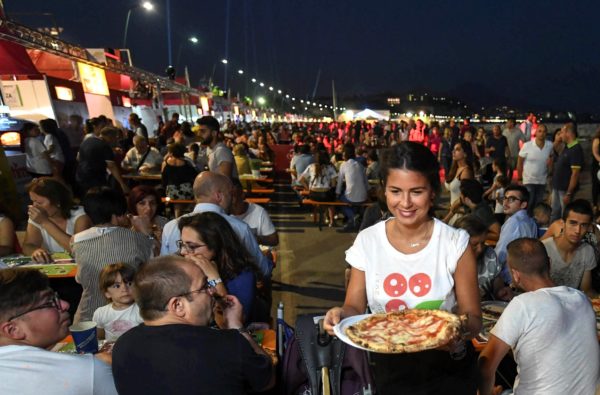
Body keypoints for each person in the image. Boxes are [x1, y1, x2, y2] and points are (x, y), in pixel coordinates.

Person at [323, 142, 481, 394]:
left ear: (432, 192)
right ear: (384, 191)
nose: (405, 202)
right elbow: (354, 306)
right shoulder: (368, 240)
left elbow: (473, 318)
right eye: (396, 191)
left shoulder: (455, 242)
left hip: (447, 371)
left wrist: (452, 335)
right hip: (388, 367)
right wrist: (340, 315)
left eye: (416, 191)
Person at [112, 255, 274, 395]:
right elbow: (268, 380)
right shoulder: (228, 345)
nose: (212, 292)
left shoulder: (122, 346)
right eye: (204, 287)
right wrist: (237, 326)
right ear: (178, 306)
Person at [478, 238, 599, 395]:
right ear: (549, 262)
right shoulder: (581, 299)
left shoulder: (522, 305)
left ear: (515, 274)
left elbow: (486, 365)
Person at [0, 268, 117, 395]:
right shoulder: (85, 371)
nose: (65, 304)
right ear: (13, 330)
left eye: (56, 297)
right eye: (49, 302)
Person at [160, 171, 273, 278]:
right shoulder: (239, 227)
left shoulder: (170, 227)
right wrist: (268, 259)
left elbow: (164, 270)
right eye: (230, 194)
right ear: (219, 196)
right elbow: (263, 270)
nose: (232, 200)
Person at [72, 187, 154, 322]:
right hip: (129, 317)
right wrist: (147, 234)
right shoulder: (136, 239)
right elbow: (154, 270)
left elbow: (81, 278)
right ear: (117, 215)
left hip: (87, 316)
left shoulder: (76, 240)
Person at [178, 212, 265, 321]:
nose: (182, 251)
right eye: (182, 244)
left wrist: (215, 279)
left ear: (216, 246)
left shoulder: (242, 276)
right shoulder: (182, 269)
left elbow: (234, 323)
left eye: (191, 246)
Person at [23, 177, 91, 262]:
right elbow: (28, 245)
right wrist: (35, 251)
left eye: (39, 203)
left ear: (57, 202)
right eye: (33, 201)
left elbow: (78, 249)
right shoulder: (37, 216)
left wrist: (45, 222)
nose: (34, 206)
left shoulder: (80, 216)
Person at [542, 199, 596, 296]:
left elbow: (586, 290)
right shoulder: (544, 249)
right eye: (573, 223)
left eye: (583, 225)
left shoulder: (587, 251)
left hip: (574, 305)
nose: (578, 230)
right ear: (563, 223)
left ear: (588, 227)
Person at [455, 216, 510, 301]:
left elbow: (496, 278)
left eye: (483, 243)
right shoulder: (447, 260)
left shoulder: (489, 254)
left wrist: (499, 291)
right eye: (474, 244)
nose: (480, 249)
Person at [494, 184, 538, 283]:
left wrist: (491, 273)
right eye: (505, 198)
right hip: (525, 278)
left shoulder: (514, 222)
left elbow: (500, 254)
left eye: (512, 199)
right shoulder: (531, 222)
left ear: (523, 204)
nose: (505, 203)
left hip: (509, 280)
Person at [93, 263, 142, 341]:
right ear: (107, 293)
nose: (124, 289)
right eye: (117, 286)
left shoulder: (143, 310)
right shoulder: (100, 313)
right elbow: (100, 337)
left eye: (129, 283)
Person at [76, 126, 129, 197]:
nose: (116, 140)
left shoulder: (87, 140)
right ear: (110, 136)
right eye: (115, 138)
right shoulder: (104, 146)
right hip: (95, 178)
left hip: (80, 175)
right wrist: (122, 184)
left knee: (89, 198)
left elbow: (78, 157)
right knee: (102, 198)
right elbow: (112, 166)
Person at [550, 122, 583, 221]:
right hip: (557, 187)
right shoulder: (568, 147)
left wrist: (569, 193)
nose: (560, 135)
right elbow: (553, 149)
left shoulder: (575, 149)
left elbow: (575, 174)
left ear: (568, 133)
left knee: (564, 215)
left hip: (564, 190)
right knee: (554, 213)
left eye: (562, 132)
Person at [230, 179, 279, 247]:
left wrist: (256, 238)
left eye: (233, 196)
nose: (229, 199)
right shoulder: (221, 213)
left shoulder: (258, 212)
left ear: (242, 194)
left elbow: (274, 239)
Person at [517, 124, 553, 212]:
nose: (542, 133)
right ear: (536, 133)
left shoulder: (549, 145)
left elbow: (551, 159)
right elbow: (519, 162)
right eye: (540, 131)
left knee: (538, 204)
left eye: (544, 132)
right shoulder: (527, 145)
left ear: (546, 134)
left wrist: (550, 172)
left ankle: (534, 223)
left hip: (542, 180)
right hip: (529, 180)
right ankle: (526, 222)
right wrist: (519, 178)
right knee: (529, 202)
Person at [299, 150, 338, 227]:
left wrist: (308, 188)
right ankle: (332, 221)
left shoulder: (311, 166)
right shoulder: (330, 167)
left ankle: (319, 217)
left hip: (313, 195)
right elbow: (333, 185)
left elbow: (301, 179)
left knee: (326, 198)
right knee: (332, 201)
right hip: (325, 195)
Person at [336, 143, 369, 232]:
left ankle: (353, 217)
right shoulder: (360, 165)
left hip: (351, 197)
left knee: (340, 200)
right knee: (352, 199)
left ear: (345, 154)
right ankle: (354, 218)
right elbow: (366, 183)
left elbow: (339, 184)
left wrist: (337, 193)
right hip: (363, 196)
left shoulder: (344, 165)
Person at [444, 140, 474, 224]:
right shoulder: (455, 169)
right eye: (453, 149)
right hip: (452, 212)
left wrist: (447, 217)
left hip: (460, 214)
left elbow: (463, 197)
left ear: (465, 154)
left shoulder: (466, 171)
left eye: (457, 149)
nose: (453, 151)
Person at [590, 127, 600, 214]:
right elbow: (595, 152)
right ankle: (595, 205)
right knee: (596, 186)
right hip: (597, 166)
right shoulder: (597, 139)